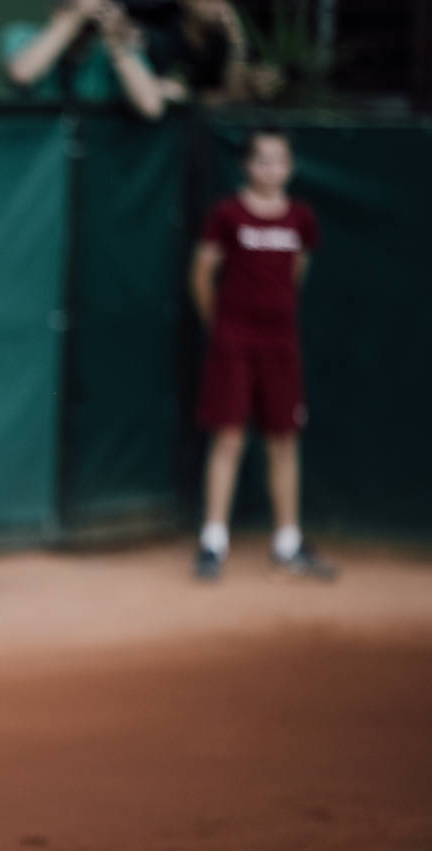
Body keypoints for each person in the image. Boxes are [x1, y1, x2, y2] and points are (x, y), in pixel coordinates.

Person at [191, 128, 335, 581]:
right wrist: (222, 328)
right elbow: (201, 274)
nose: (272, 169)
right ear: (247, 166)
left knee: (284, 440)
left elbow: (298, 272)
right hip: (233, 341)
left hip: (281, 343)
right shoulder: (226, 214)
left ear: (290, 167)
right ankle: (213, 541)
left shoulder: (301, 218)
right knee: (229, 438)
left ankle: (287, 543)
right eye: (263, 160)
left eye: (281, 161)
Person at [0, 0, 170, 120]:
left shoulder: (111, 50)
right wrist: (75, 16)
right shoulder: (22, 36)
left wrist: (118, 47)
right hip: (40, 161)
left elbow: (151, 108)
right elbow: (22, 75)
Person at [147, 0, 283, 106]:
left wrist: (237, 41)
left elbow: (236, 95)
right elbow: (176, 93)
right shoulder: (162, 38)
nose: (219, 5)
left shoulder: (223, 40)